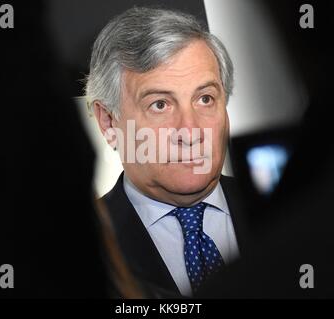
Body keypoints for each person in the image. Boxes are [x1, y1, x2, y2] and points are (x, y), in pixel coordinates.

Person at [85, 7, 246, 297]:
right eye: (160, 104)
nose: (190, 131)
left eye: (205, 98)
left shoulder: (292, 211)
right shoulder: (73, 247)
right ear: (109, 121)